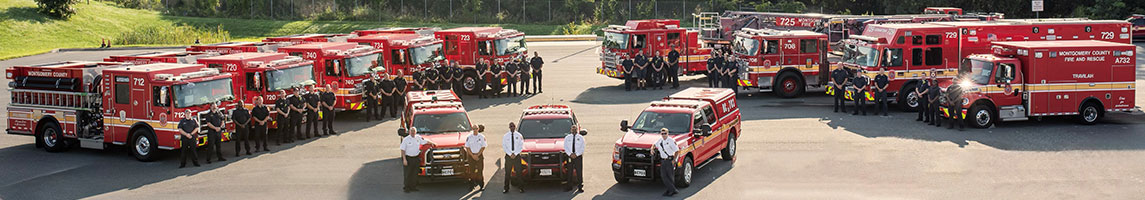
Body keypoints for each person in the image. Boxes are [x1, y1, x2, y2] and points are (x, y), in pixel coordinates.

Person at [400, 128, 437, 193]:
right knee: (408, 174)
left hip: (416, 158)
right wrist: (404, 159)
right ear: (409, 132)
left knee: (415, 173)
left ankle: (413, 187)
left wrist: (432, 143)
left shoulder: (418, 138)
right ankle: (406, 188)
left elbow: (425, 141)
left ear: (416, 132)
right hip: (408, 158)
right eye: (411, 131)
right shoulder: (406, 139)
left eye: (414, 131)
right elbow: (403, 150)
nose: (413, 133)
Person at [651, 128, 679, 196]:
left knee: (670, 176)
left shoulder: (671, 141)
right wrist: (652, 149)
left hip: (669, 160)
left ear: (668, 133)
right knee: (663, 176)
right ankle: (672, 189)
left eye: (665, 133)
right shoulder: (660, 140)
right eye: (662, 134)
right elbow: (654, 144)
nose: (663, 135)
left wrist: (674, 160)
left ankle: (671, 190)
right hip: (663, 160)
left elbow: (677, 150)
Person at [502, 122, 525, 193]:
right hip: (508, 156)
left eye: (513, 126)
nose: (512, 128)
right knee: (507, 173)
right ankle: (506, 188)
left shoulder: (519, 135)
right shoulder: (506, 136)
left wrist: (515, 153)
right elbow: (504, 146)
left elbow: (521, 146)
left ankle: (521, 188)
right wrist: (510, 154)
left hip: (517, 156)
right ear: (509, 127)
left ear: (515, 127)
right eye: (511, 126)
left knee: (519, 173)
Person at [563, 125, 586, 193]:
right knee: (569, 171)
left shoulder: (581, 138)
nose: (574, 130)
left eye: (575, 129)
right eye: (572, 129)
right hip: (570, 156)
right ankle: (569, 186)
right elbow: (565, 147)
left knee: (579, 171)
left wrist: (576, 154)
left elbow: (582, 147)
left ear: (577, 130)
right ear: (570, 130)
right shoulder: (567, 138)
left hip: (578, 157)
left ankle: (580, 186)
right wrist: (570, 154)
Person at [464, 125, 487, 191]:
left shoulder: (482, 137)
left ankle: (481, 185)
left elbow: (483, 147)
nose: (475, 130)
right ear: (472, 129)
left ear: (478, 129)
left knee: (480, 171)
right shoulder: (469, 137)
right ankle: (471, 186)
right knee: (472, 172)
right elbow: (467, 148)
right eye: (473, 129)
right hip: (471, 156)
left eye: (476, 128)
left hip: (479, 156)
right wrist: (472, 155)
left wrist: (477, 155)